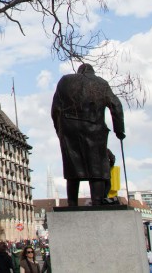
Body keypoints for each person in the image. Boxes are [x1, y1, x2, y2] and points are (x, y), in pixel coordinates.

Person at [50, 63, 125, 206]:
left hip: (69, 130)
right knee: (97, 167)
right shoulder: (101, 83)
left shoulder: (65, 81)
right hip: (94, 128)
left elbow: (55, 109)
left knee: (72, 168)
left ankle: (72, 203)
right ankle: (97, 201)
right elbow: (116, 106)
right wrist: (119, 130)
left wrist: (59, 131)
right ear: (92, 72)